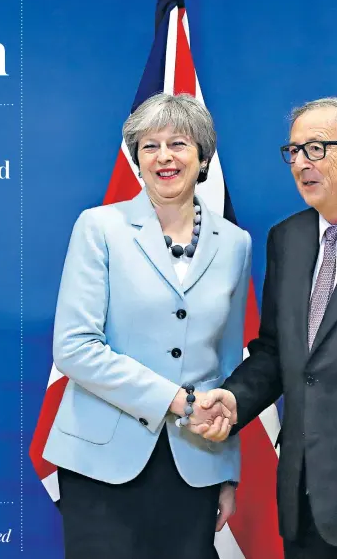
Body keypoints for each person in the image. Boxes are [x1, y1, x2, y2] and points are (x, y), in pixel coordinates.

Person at [42, 93, 251, 559]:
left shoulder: (235, 244)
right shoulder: (99, 228)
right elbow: (75, 348)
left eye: (178, 143)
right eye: (149, 146)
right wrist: (176, 401)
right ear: (136, 159)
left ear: (203, 156)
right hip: (101, 461)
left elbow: (228, 364)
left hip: (195, 462)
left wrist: (226, 471)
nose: (164, 157)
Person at [196, 97, 337, 558]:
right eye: (294, 151)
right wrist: (236, 399)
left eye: (317, 149)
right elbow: (277, 352)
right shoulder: (290, 238)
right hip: (304, 497)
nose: (301, 163)